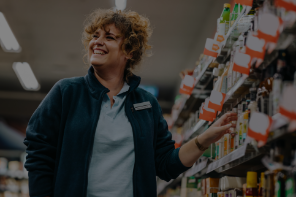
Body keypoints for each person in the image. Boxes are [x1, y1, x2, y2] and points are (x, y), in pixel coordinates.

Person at [24, 9, 237, 197]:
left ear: (129, 52)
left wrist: (204, 139)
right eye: (95, 35)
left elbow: (165, 164)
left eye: (109, 37)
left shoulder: (147, 104)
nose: (97, 41)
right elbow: (39, 152)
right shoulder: (67, 92)